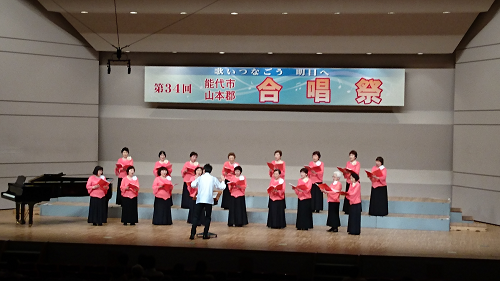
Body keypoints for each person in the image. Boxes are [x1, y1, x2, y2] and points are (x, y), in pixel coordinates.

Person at [189, 163, 226, 240]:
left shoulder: (200, 178)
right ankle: (205, 234)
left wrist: (196, 178)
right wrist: (223, 181)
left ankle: (192, 234)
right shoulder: (213, 178)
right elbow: (221, 187)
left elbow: (192, 185)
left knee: (196, 217)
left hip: (200, 200)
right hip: (209, 200)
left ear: (204, 170)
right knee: (208, 217)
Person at [342, 150, 361, 214]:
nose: (351, 156)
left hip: (355, 181)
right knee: (348, 194)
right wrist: (345, 172)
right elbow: (346, 171)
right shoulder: (348, 163)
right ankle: (347, 209)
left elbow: (356, 172)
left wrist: (350, 172)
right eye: (350, 155)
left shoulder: (357, 163)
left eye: (352, 155)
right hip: (349, 181)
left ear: (355, 157)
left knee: (354, 195)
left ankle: (355, 208)